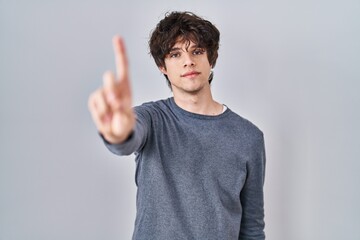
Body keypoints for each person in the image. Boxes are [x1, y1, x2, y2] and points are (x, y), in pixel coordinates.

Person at [88, 11, 266, 240]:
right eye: (175, 54)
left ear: (211, 59)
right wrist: (118, 135)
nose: (188, 61)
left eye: (197, 51)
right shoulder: (151, 119)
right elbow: (128, 138)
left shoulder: (249, 137)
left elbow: (251, 229)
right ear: (162, 66)